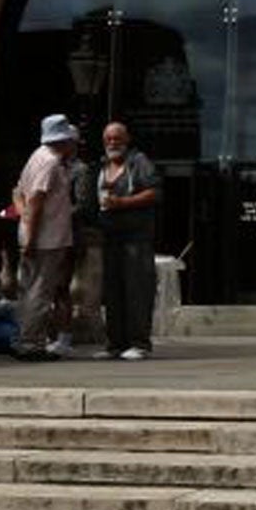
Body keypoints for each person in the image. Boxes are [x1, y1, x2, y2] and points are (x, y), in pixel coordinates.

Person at [12, 114, 81, 360]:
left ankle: (25, 339)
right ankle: (30, 344)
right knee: (40, 292)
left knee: (30, 290)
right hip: (46, 239)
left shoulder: (36, 156)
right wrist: (30, 234)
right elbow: (35, 200)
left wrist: (25, 223)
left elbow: (18, 193)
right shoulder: (50, 162)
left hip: (39, 235)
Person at [94, 121, 161, 360]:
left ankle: (139, 343)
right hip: (111, 238)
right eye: (108, 139)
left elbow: (154, 192)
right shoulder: (102, 166)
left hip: (136, 238)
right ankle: (115, 344)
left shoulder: (138, 162)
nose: (113, 143)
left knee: (137, 290)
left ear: (127, 139)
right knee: (113, 292)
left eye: (117, 138)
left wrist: (122, 203)